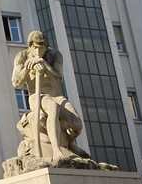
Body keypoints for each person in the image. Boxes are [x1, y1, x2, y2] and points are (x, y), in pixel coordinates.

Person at [11, 31, 94, 164]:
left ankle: (70, 143)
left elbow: (57, 81)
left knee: (77, 124)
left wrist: (45, 66)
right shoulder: (22, 56)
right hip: (37, 96)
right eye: (35, 47)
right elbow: (16, 83)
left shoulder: (55, 55)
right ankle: (57, 151)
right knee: (52, 108)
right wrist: (28, 67)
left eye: (41, 47)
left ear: (46, 46)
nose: (38, 51)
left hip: (56, 95)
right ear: (30, 47)